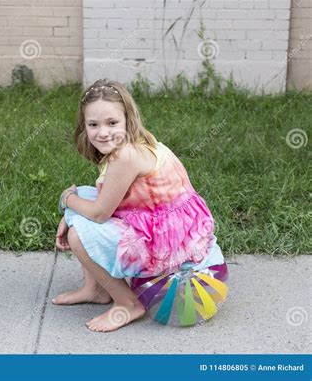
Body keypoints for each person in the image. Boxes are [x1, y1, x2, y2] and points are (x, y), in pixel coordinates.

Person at [53, 79, 225, 333]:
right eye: (93, 124)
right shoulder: (139, 143)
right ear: (84, 126)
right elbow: (104, 199)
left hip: (169, 245)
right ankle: (95, 289)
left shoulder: (127, 156)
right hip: (161, 225)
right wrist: (72, 210)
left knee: (79, 234)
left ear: (127, 119)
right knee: (82, 198)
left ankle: (128, 303)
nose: (102, 132)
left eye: (112, 123)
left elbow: (100, 214)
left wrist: (67, 202)